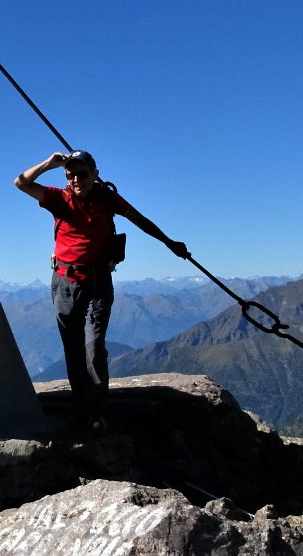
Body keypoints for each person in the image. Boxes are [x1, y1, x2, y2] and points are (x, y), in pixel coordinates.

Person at [15, 150, 189, 433]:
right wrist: (49, 164)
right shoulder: (60, 199)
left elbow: (139, 219)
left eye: (81, 174)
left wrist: (169, 243)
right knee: (73, 349)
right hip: (65, 282)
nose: (75, 180)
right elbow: (21, 183)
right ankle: (84, 408)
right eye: (70, 175)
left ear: (95, 173)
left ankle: (96, 414)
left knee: (93, 347)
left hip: (97, 282)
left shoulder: (107, 198)